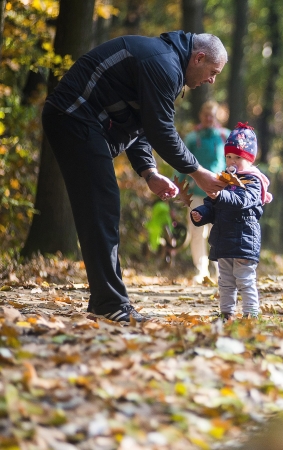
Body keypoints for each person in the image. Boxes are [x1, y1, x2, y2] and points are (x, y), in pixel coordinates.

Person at [42, 31, 229, 322]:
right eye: (213, 72)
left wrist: (149, 172)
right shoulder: (163, 63)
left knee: (101, 204)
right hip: (74, 115)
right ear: (199, 57)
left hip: (82, 122)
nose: (212, 80)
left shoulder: (166, 63)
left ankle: (106, 301)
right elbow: (161, 132)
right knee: (102, 203)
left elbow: (140, 125)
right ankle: (110, 303)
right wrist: (199, 172)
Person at [190, 123, 273, 320]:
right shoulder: (225, 179)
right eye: (228, 156)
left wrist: (219, 196)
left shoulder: (253, 181)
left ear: (249, 159)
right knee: (225, 280)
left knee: (244, 279)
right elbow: (212, 204)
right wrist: (202, 213)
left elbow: (242, 201)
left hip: (244, 240)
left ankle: (250, 313)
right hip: (224, 240)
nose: (232, 161)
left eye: (238, 157)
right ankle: (226, 313)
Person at [179, 100, 230, 283]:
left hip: (221, 194)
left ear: (217, 117)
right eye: (206, 115)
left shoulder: (225, 137)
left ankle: (220, 271)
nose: (209, 118)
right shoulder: (193, 138)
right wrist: (179, 187)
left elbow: (235, 163)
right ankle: (201, 271)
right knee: (197, 231)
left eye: (212, 115)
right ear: (201, 116)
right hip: (196, 193)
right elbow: (182, 163)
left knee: (219, 231)